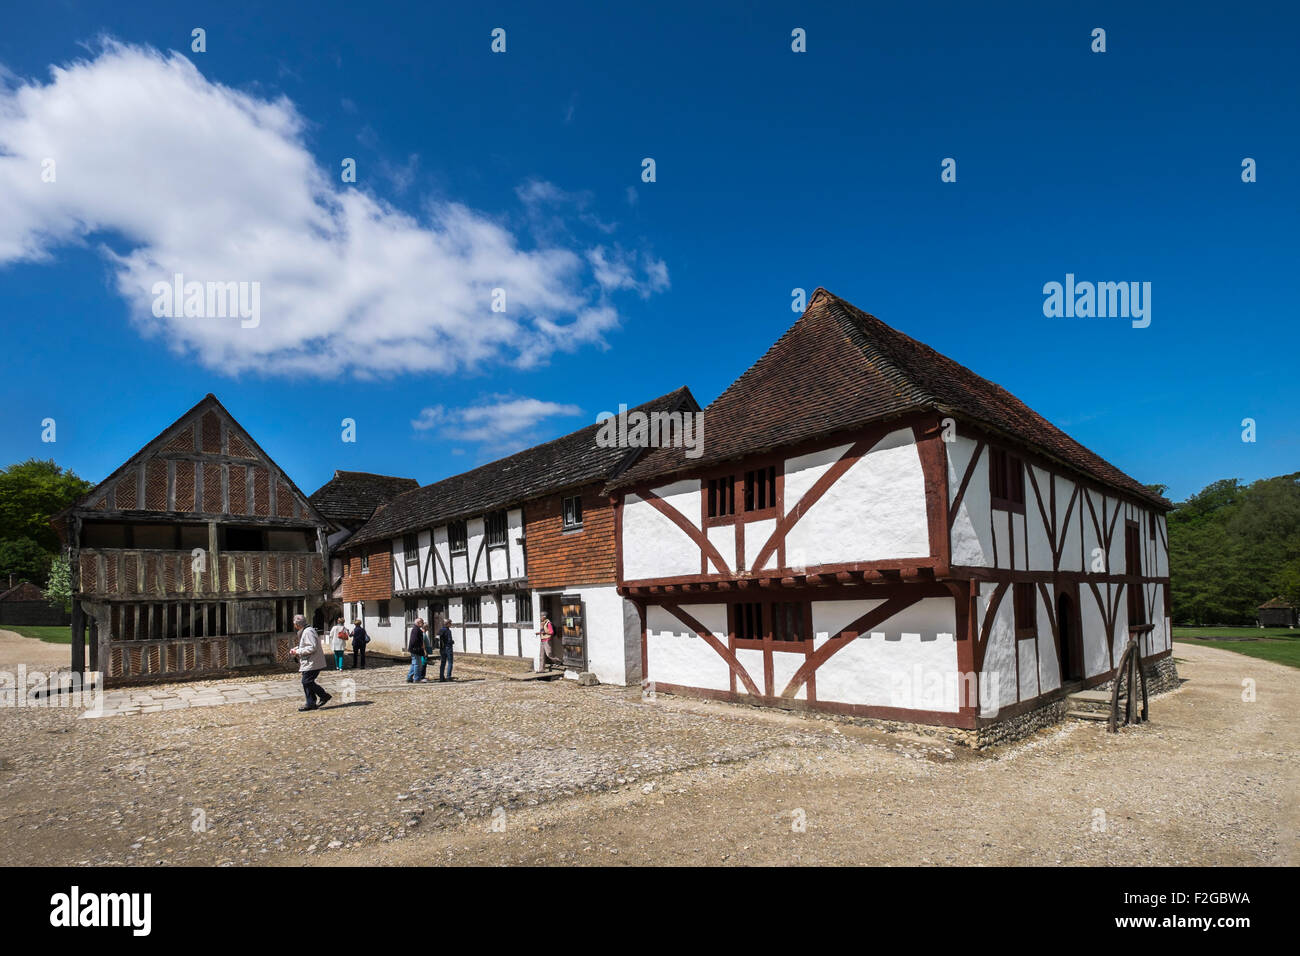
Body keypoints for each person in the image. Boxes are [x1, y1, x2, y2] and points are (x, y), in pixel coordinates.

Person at [289, 613, 331, 711]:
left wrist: (298, 651)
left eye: (294, 624)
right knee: (307, 682)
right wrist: (296, 649)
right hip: (309, 662)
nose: (294, 626)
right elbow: (306, 645)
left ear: (297, 624)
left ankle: (323, 695)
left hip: (313, 662)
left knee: (306, 681)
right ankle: (310, 703)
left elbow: (312, 647)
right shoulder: (305, 631)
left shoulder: (308, 632)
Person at [407, 618, 426, 683]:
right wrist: (417, 648)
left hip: (414, 649)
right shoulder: (416, 630)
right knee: (417, 664)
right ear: (418, 623)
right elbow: (414, 640)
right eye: (422, 622)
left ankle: (409, 678)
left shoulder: (416, 629)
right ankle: (417, 679)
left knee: (414, 664)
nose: (423, 624)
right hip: (416, 650)